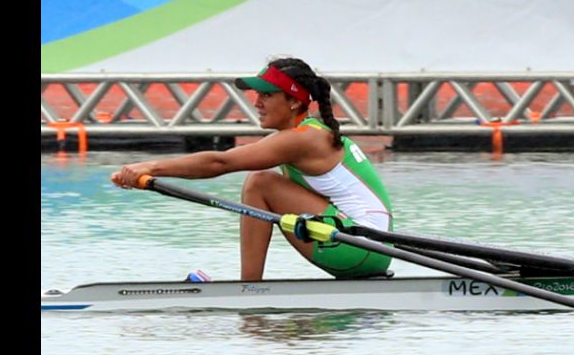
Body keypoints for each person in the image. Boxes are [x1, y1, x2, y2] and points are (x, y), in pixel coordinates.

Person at [110, 57, 393, 281]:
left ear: (294, 101)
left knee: (260, 183)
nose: (256, 103)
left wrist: (150, 167)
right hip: (368, 247)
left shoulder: (304, 138)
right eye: (257, 95)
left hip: (360, 246)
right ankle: (249, 287)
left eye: (267, 95)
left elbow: (220, 162)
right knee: (262, 183)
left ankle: (248, 288)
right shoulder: (304, 135)